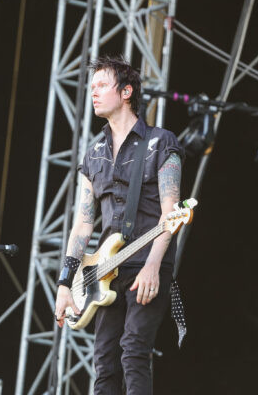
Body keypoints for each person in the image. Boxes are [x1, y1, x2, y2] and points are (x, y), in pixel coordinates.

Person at [55, 56, 184, 395]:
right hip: (105, 269)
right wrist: (65, 283)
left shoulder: (160, 143)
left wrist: (153, 265)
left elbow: (171, 213)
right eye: (92, 87)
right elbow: (83, 225)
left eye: (102, 85)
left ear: (126, 92)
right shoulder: (94, 154)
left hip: (147, 261)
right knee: (104, 362)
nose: (93, 93)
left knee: (134, 352)